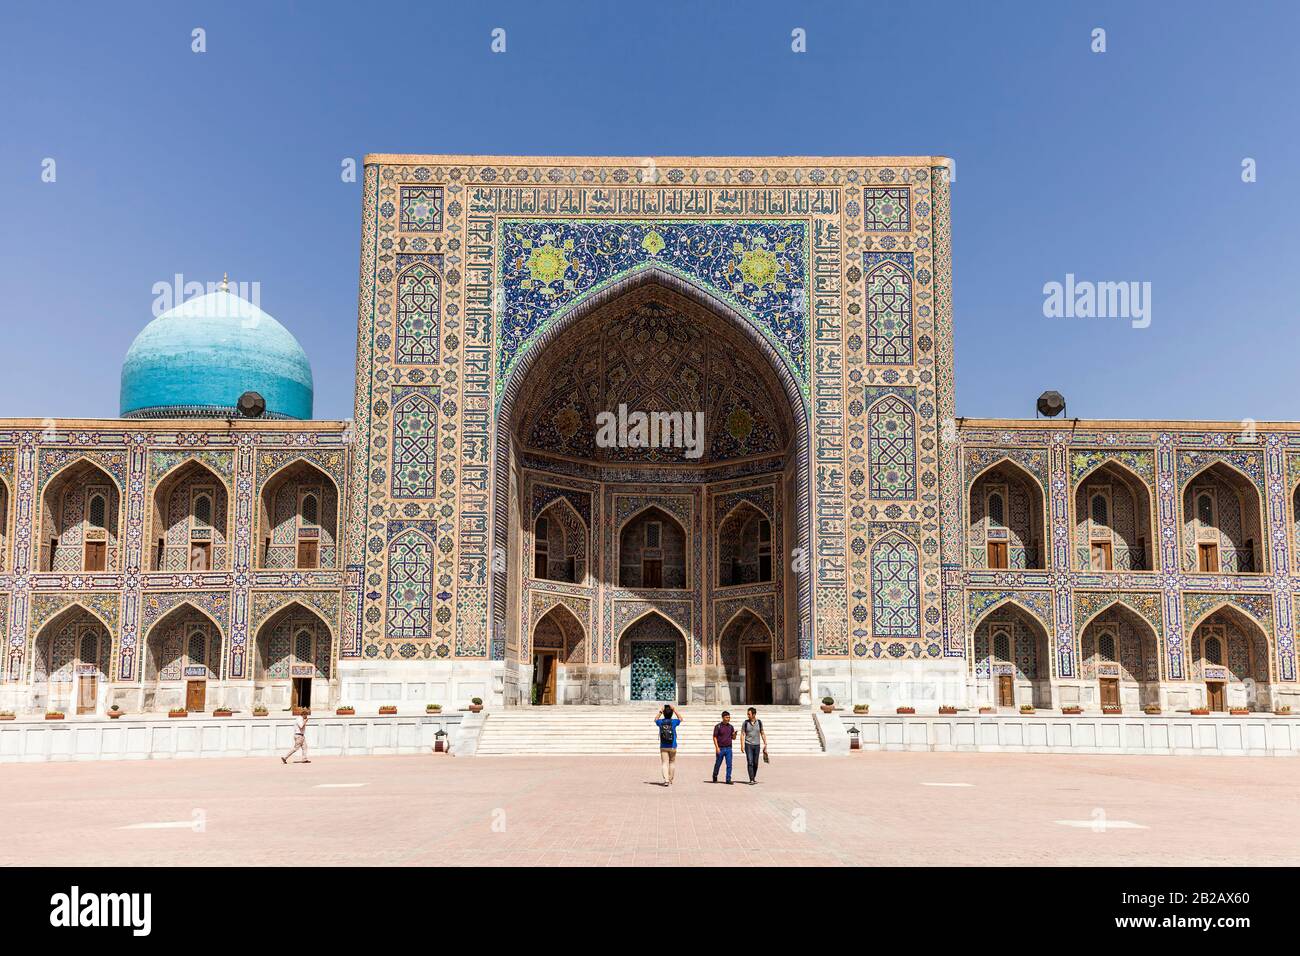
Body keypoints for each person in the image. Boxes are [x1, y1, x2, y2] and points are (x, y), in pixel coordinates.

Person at [654, 704, 683, 786]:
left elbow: (655, 719)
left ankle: (666, 780)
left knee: (664, 763)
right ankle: (670, 779)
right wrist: (674, 710)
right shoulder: (674, 722)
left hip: (663, 746)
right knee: (672, 762)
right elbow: (681, 719)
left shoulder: (660, 722)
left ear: (664, 713)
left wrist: (660, 711)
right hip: (673, 745)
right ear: (671, 714)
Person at [740, 707, 767, 784]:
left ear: (754, 714)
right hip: (748, 745)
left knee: (755, 763)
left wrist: (765, 742)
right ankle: (751, 779)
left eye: (749, 714)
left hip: (757, 745)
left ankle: (753, 777)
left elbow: (762, 732)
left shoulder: (759, 722)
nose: (747, 715)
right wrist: (742, 745)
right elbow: (742, 734)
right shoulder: (745, 723)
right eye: (747, 714)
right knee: (750, 762)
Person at [712, 710, 736, 784]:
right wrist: (717, 748)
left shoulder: (731, 727)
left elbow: (733, 738)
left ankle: (728, 779)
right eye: (726, 717)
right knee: (718, 764)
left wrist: (734, 734)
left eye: (729, 717)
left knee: (729, 764)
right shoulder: (718, 726)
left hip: (729, 748)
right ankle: (715, 775)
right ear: (723, 718)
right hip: (721, 748)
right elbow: (714, 737)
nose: (728, 719)